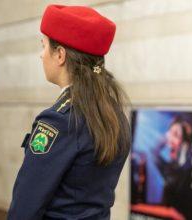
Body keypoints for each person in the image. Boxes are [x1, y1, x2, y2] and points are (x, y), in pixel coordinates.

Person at [7, 4, 131, 220]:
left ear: (60, 55)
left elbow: (25, 207)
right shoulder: (114, 116)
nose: (40, 55)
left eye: (43, 46)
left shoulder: (59, 122)